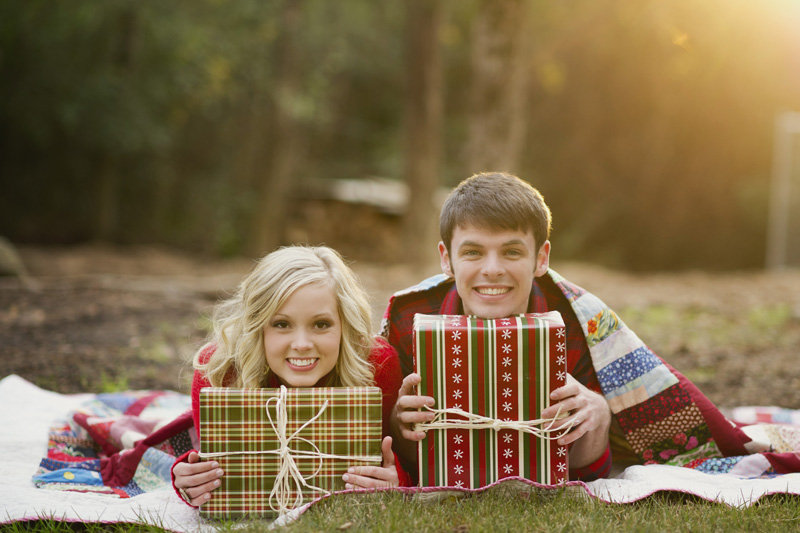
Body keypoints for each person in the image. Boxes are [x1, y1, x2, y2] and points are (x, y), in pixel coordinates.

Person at [383, 172, 614, 481]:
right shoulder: (408, 316)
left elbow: (588, 473)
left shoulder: (577, 320)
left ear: (541, 258)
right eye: (473, 252)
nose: (492, 270)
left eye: (512, 252)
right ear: (446, 259)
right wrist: (400, 426)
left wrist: (598, 415)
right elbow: (403, 460)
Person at [172, 245, 410, 507]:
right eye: (282, 324)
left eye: (321, 324)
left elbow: (399, 460)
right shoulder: (217, 370)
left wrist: (396, 479)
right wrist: (192, 479)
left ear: (345, 324)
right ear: (257, 326)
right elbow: (215, 460)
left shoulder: (376, 364)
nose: (302, 344)